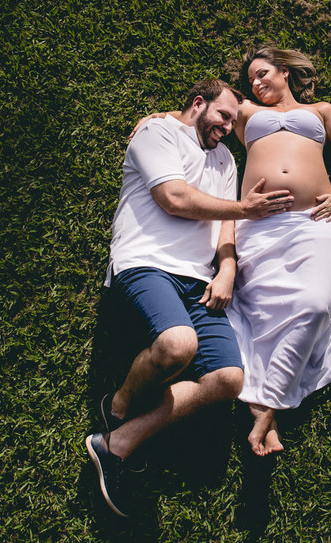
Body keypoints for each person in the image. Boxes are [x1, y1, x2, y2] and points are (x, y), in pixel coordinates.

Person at [135, 47, 331, 458]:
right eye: (251, 81)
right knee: (257, 312)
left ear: (284, 71)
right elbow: (204, 111)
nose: (257, 84)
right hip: (257, 224)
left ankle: (269, 404)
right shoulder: (244, 112)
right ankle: (267, 410)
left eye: (263, 74)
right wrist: (159, 118)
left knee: (316, 305)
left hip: (312, 222)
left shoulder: (321, 111)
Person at [87, 79, 294, 518]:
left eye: (233, 122)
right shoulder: (156, 133)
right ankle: (117, 406)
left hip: (198, 279)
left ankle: (117, 443)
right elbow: (174, 198)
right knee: (179, 345)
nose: (226, 127)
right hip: (146, 263)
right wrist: (246, 209)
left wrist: (227, 268)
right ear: (198, 104)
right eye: (222, 116)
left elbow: (225, 229)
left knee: (228, 380)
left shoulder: (224, 160)